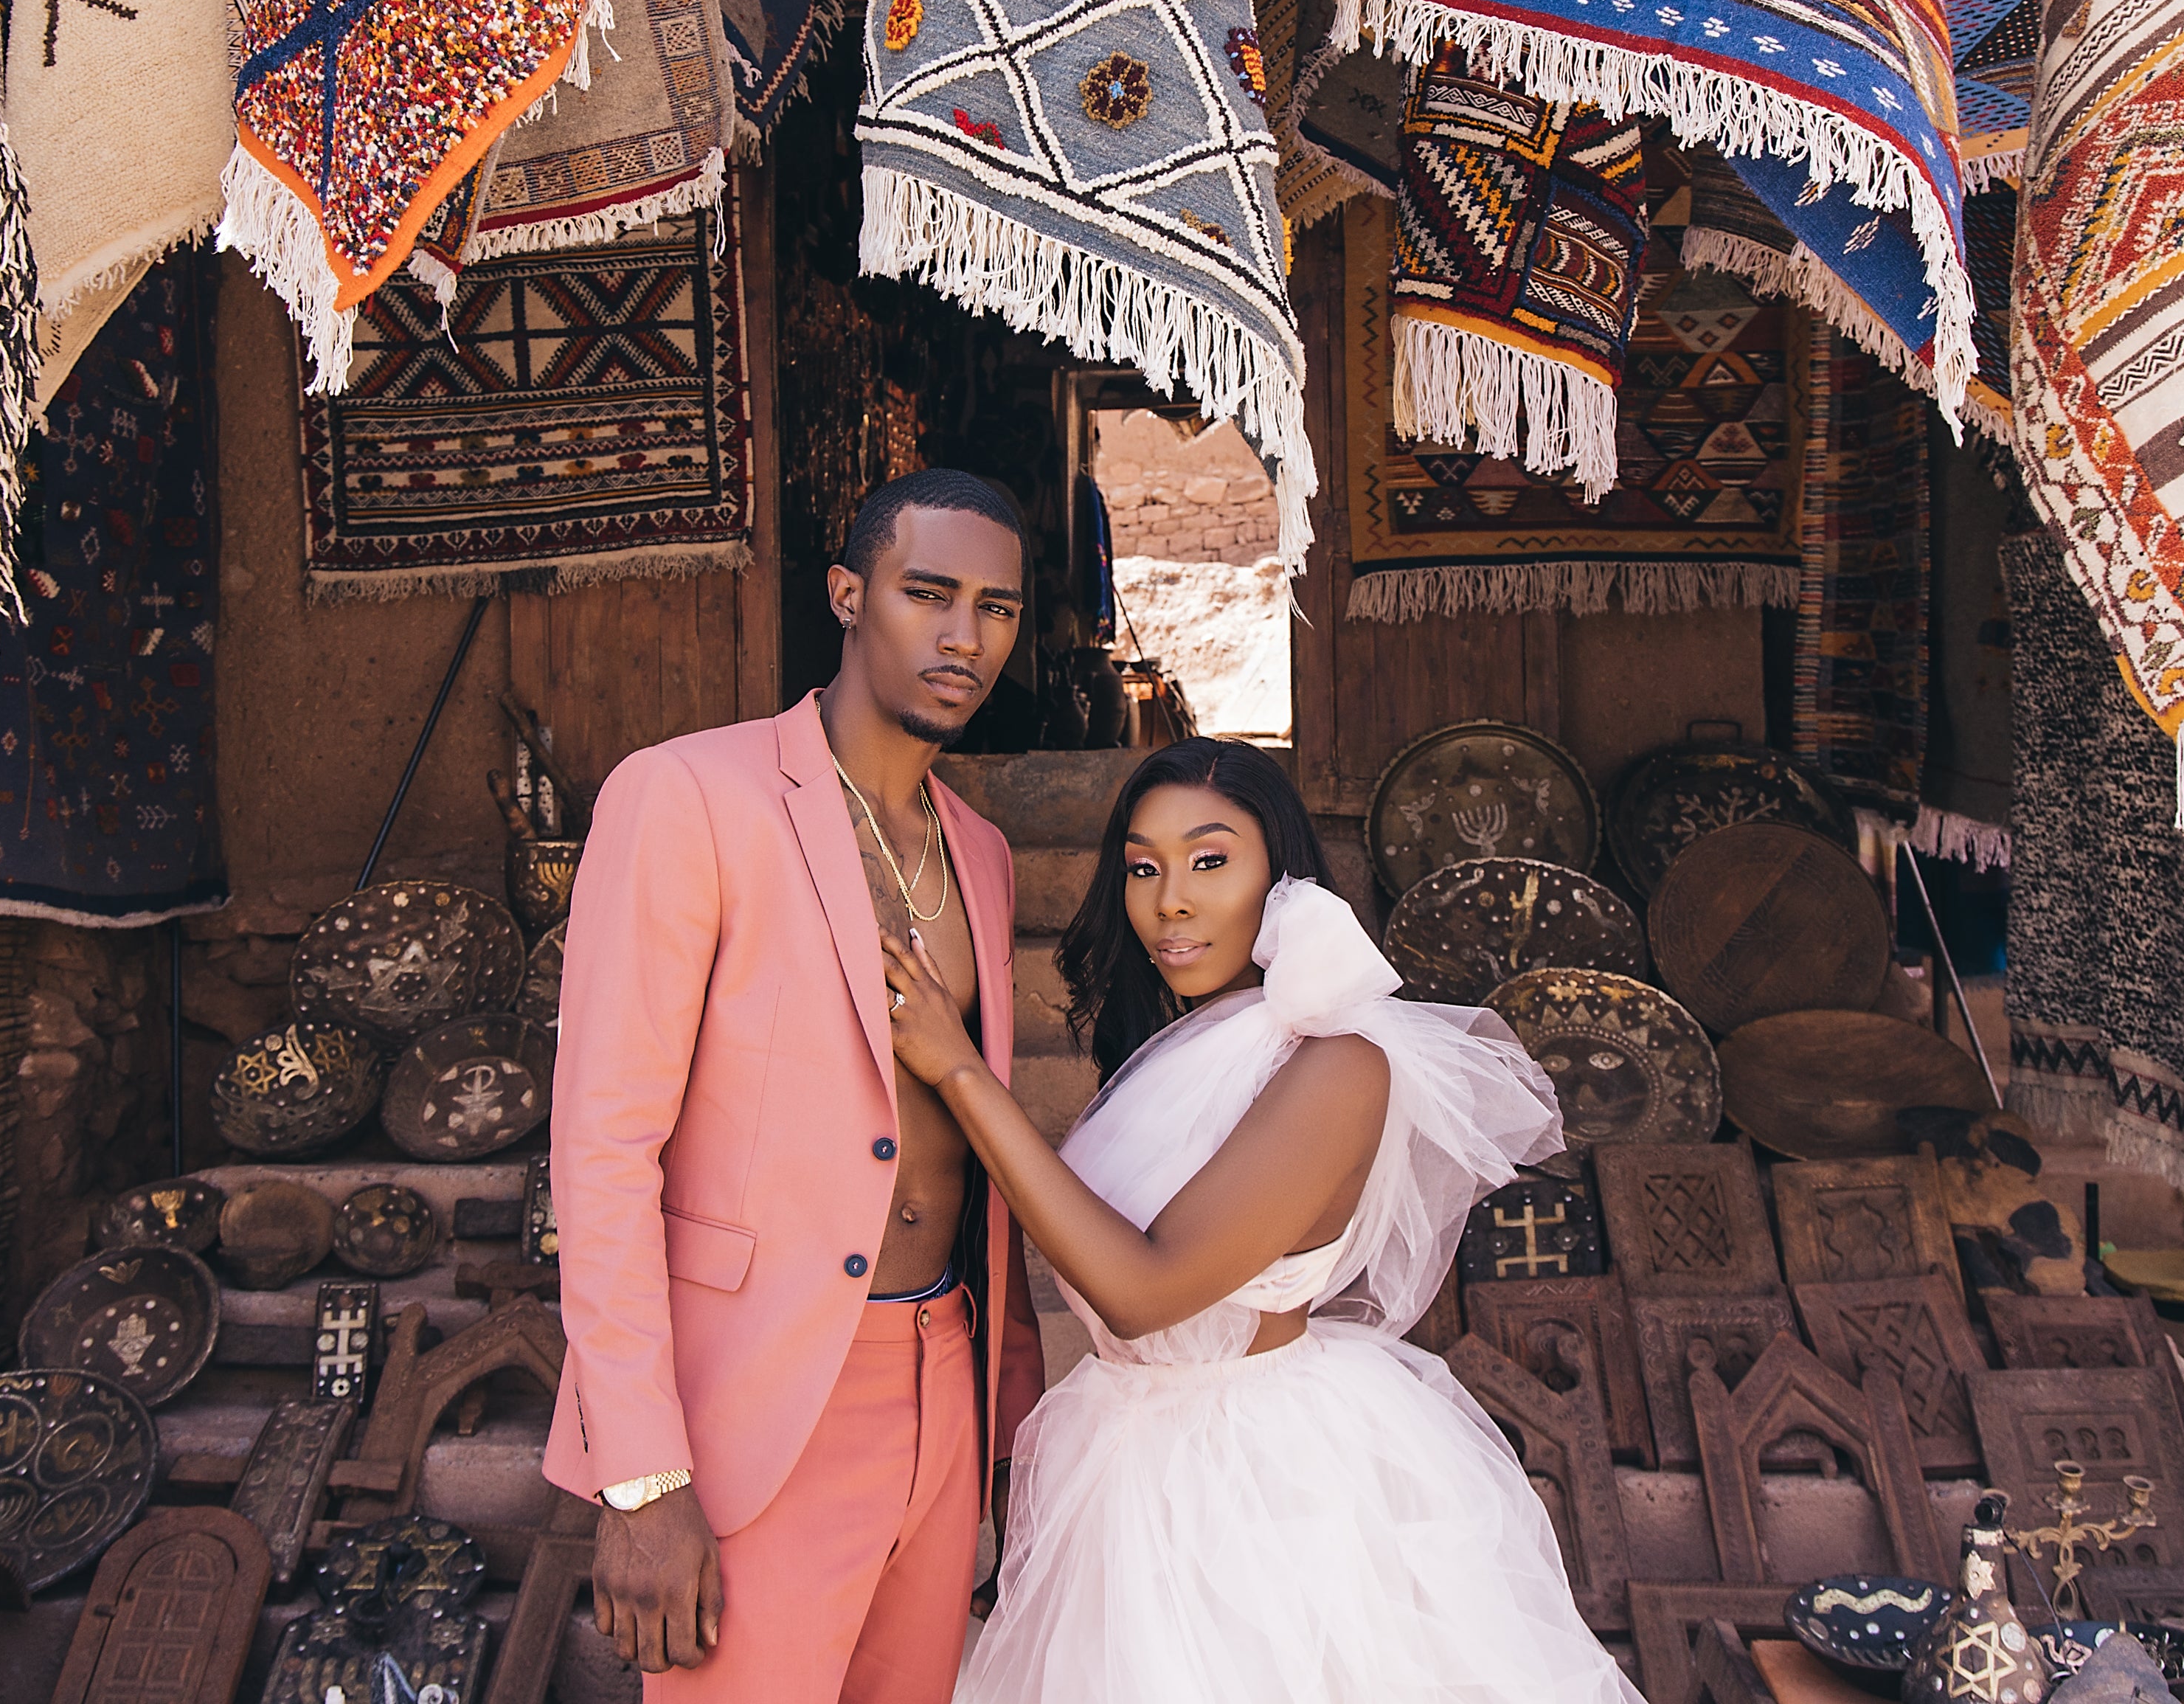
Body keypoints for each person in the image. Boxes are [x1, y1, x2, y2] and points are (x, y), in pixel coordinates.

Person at [876, 738, 1645, 1704]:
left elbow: (1142, 1288)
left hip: (1251, 1484)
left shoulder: (1339, 1065)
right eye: (1142, 868)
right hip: (1128, 1454)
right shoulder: (1188, 1043)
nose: (1171, 901)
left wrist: (958, 1074)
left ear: (1277, 876)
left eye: (1210, 860)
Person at [545, 467, 1050, 1700]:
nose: (962, 637)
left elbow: (974, 1160)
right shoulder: (688, 797)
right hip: (757, 1400)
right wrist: (645, 1478)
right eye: (926, 594)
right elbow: (603, 1149)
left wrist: (1007, 1424)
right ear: (846, 594)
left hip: (946, 1369)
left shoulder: (980, 854)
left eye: (996, 608)